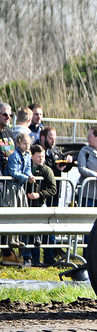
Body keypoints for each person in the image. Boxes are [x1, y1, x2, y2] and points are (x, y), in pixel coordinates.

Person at [5, 133, 35, 266]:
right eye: (24, 143)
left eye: (28, 144)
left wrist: (30, 175)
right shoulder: (14, 156)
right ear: (18, 144)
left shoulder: (28, 156)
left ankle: (17, 238)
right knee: (12, 213)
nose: (27, 146)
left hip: (21, 188)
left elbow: (27, 169)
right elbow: (13, 172)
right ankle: (11, 239)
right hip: (11, 188)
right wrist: (26, 178)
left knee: (21, 213)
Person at [26, 144, 57, 267]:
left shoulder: (46, 170)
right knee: (29, 233)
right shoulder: (26, 168)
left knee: (42, 233)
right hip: (27, 205)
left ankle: (47, 257)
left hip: (40, 204)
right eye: (39, 156)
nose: (41, 159)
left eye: (43, 156)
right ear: (32, 156)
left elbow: (53, 189)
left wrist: (39, 194)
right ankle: (31, 258)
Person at [0, 103, 21, 266]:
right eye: (4, 114)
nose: (8, 118)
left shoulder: (9, 132)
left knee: (5, 218)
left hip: (7, 183)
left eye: (9, 115)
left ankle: (7, 252)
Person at [39, 126, 73, 207]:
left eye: (55, 139)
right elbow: (40, 167)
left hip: (55, 190)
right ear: (43, 137)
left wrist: (68, 162)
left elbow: (62, 166)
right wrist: (55, 168)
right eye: (50, 138)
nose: (53, 141)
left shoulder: (55, 149)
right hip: (41, 190)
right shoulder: (36, 149)